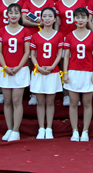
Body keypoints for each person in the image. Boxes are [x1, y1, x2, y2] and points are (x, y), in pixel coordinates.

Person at [62, 8, 93, 142]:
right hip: (73, 72)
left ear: (88, 19)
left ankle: (85, 131)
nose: (80, 20)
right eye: (77, 17)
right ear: (74, 19)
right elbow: (66, 56)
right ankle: (75, 130)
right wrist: (65, 73)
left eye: (83, 17)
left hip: (88, 72)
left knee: (87, 103)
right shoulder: (69, 36)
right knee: (73, 103)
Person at [0, 3, 31, 142]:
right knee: (7, 100)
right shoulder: (1, 31)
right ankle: (9, 128)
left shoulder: (25, 31)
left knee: (16, 100)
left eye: (16, 13)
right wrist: (5, 67)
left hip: (20, 69)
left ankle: (16, 130)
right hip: (5, 69)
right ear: (7, 15)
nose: (13, 15)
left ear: (20, 15)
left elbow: (27, 52)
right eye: (11, 12)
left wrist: (18, 67)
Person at [29, 7, 64, 139]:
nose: (47, 18)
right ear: (41, 19)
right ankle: (41, 128)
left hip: (53, 72)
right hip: (38, 72)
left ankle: (49, 128)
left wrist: (52, 66)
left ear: (55, 19)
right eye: (45, 16)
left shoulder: (59, 35)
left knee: (50, 102)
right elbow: (32, 55)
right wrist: (38, 67)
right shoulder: (35, 36)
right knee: (40, 102)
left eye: (50, 16)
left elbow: (59, 54)